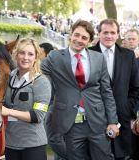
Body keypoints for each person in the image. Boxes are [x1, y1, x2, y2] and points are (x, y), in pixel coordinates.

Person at [41, 20, 119, 160]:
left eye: (84, 38)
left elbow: (106, 92)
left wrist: (112, 121)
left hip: (97, 122)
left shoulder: (99, 58)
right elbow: (36, 73)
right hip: (70, 124)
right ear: (71, 34)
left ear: (89, 41)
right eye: (76, 35)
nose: (79, 40)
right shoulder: (55, 57)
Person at [89, 19, 139, 160]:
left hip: (121, 120)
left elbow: (136, 88)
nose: (109, 36)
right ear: (99, 34)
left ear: (118, 35)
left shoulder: (128, 56)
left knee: (120, 157)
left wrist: (127, 108)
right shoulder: (88, 54)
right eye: (105, 32)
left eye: (112, 32)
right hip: (94, 120)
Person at [1, 38, 51, 160]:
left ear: (36, 58)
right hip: (10, 143)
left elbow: (38, 116)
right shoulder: (9, 77)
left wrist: (8, 112)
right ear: (16, 54)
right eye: (22, 53)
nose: (25, 57)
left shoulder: (41, 82)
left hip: (32, 145)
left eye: (30, 54)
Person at [121, 28, 139, 160]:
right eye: (129, 38)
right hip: (121, 109)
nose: (131, 41)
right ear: (124, 41)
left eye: (134, 39)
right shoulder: (118, 59)